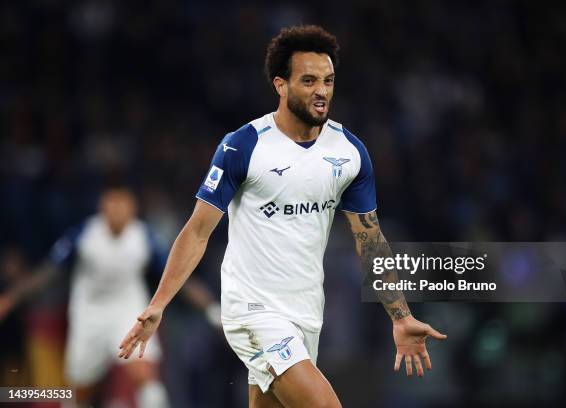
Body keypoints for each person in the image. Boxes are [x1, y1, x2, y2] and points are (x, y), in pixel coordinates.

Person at [119, 25, 447, 408]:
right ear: (280, 84)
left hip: (306, 313)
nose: (321, 91)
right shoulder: (244, 145)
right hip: (252, 311)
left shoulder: (349, 153)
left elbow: (369, 239)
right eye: (308, 81)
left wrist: (400, 316)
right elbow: (197, 232)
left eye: (328, 80)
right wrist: (158, 304)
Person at [0, 186, 220, 408]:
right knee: (80, 391)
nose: (117, 212)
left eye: (122, 206)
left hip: (128, 312)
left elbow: (178, 274)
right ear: (102, 208)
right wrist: (11, 297)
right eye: (111, 205)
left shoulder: (143, 236)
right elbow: (49, 272)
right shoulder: (85, 234)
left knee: (147, 379)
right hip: (89, 314)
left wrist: (210, 307)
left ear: (133, 209)